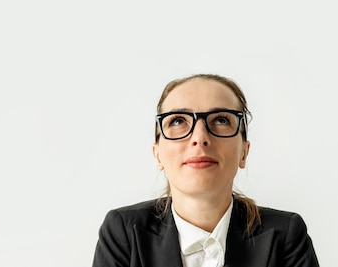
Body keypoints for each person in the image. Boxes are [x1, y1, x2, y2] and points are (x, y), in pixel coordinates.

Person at [92, 73, 319, 267]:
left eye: (221, 120)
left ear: (244, 152)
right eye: (178, 121)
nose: (200, 138)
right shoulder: (123, 233)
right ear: (158, 154)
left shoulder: (286, 235)